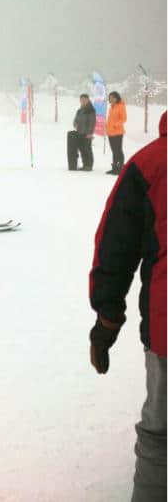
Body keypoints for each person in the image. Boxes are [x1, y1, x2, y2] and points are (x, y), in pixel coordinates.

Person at [89, 111, 167, 502]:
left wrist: (106, 320)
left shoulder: (152, 163)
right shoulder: (150, 166)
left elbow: (115, 250)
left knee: (162, 434)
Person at [72, 93, 96, 171]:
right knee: (82, 149)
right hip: (79, 132)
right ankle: (85, 165)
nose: (82, 101)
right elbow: (76, 119)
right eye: (81, 99)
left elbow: (92, 122)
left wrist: (90, 133)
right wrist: (75, 123)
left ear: (88, 100)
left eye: (84, 99)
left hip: (87, 133)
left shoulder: (91, 110)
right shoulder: (79, 110)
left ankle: (89, 165)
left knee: (87, 149)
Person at [106, 91, 127, 175]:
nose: (110, 99)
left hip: (118, 132)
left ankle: (121, 168)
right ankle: (114, 168)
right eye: (109, 97)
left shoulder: (121, 106)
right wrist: (107, 126)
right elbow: (110, 119)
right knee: (114, 151)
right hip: (110, 132)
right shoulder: (111, 107)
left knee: (118, 150)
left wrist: (115, 125)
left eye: (112, 97)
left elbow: (124, 119)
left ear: (116, 98)